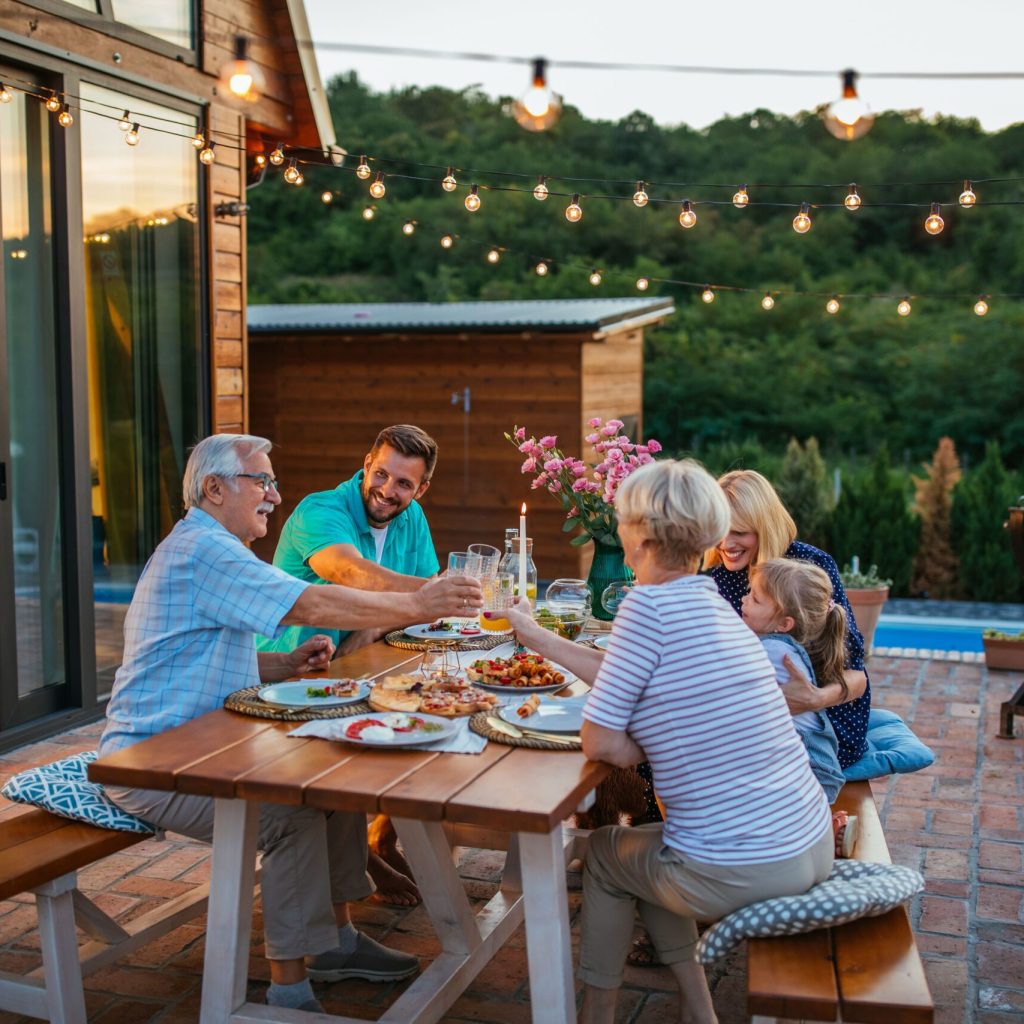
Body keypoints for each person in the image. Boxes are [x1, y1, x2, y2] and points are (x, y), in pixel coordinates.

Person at [100, 434, 482, 1014]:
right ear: (214, 488)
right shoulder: (206, 551)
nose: (275, 496)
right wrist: (423, 603)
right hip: (152, 763)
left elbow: (191, 653)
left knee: (335, 786)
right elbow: (315, 602)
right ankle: (288, 992)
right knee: (289, 810)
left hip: (204, 743)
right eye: (263, 482)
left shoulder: (212, 546)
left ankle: (336, 941)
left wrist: (283, 663)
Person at [507, 459, 834, 1024]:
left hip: (745, 864)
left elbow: (599, 744)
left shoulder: (646, 607)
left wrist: (645, 741)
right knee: (652, 850)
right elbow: (627, 678)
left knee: (607, 856)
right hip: (805, 841)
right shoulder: (716, 605)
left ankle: (596, 1016)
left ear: (639, 535)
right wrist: (537, 638)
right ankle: (700, 1012)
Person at [258, 424, 442, 906]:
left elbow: (410, 607)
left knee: (430, 718)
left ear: (420, 489)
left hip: (349, 664)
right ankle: (357, 858)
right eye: (381, 474)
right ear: (366, 465)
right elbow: (349, 574)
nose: (388, 490)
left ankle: (381, 837)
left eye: (404, 483)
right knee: (367, 747)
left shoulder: (412, 516)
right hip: (291, 677)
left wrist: (360, 645)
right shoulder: (319, 509)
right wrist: (427, 596)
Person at [704, 469, 871, 768]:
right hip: (753, 714)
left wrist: (813, 699)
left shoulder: (810, 567)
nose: (726, 544)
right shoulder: (714, 577)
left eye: (740, 532)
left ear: (763, 525)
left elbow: (857, 677)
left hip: (820, 727)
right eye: (720, 530)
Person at [740, 559, 849, 807]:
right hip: (802, 767)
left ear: (784, 624)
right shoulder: (777, 644)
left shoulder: (775, 652)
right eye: (749, 593)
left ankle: (829, 827)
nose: (745, 600)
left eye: (755, 599)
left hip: (810, 773)